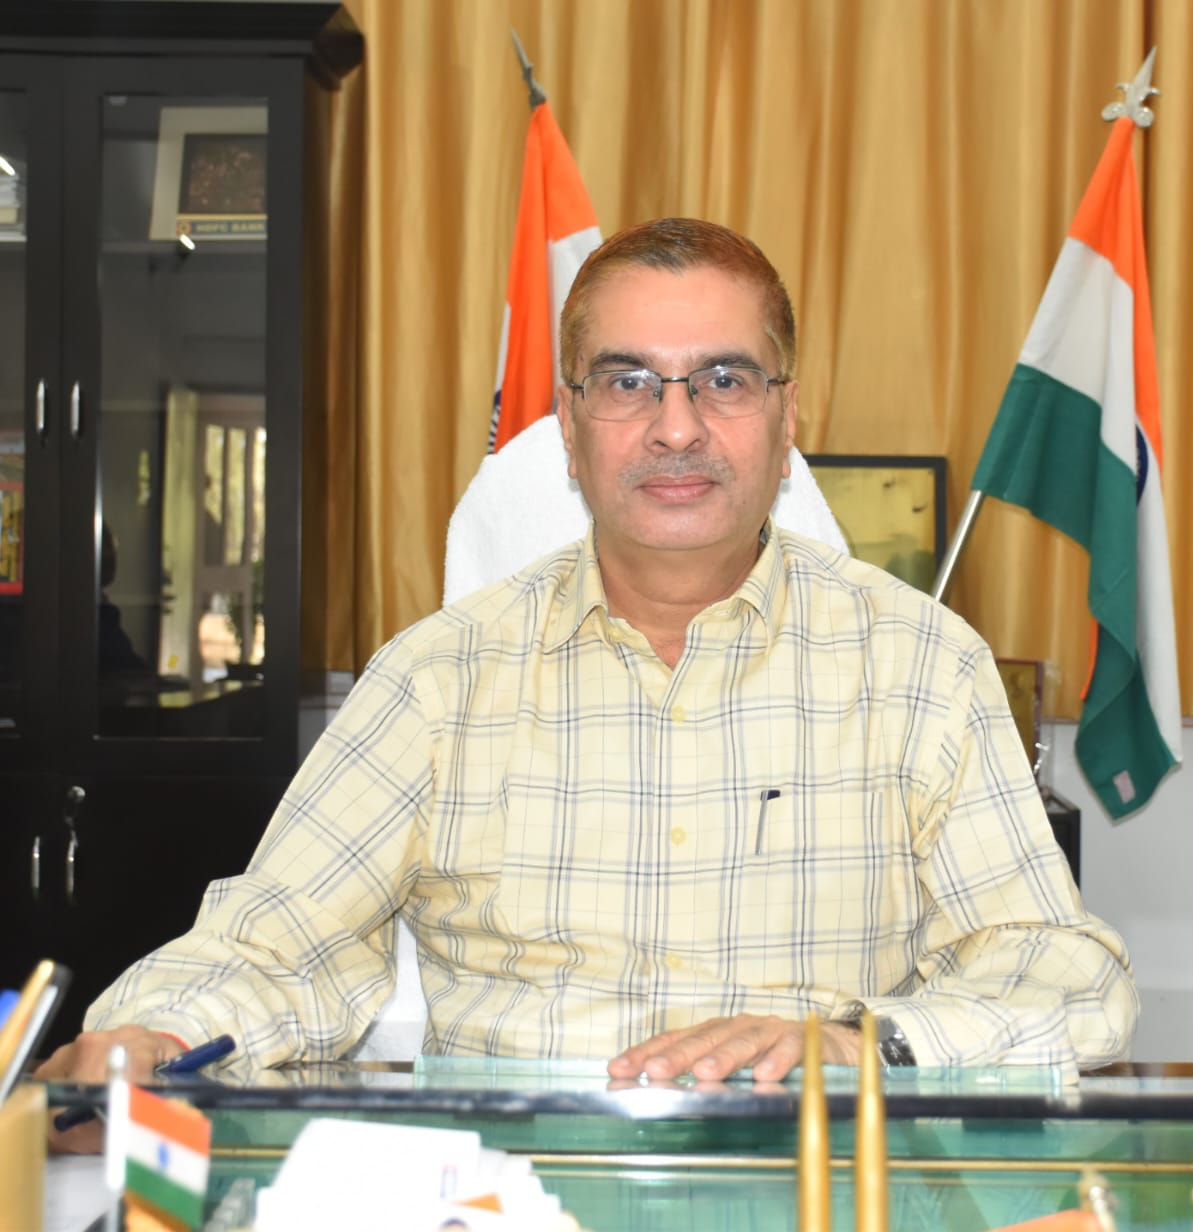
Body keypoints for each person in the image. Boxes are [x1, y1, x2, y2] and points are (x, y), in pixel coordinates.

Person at [39, 218, 1137, 1122]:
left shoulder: (921, 666)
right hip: (515, 1197)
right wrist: (155, 1034)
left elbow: (1064, 977)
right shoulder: (437, 678)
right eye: (626, 381)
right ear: (568, 427)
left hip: (816, 1190)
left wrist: (863, 1043)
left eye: (723, 378)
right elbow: (274, 946)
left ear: (786, 417)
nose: (675, 427)